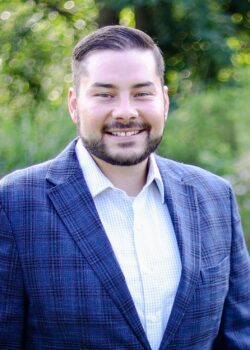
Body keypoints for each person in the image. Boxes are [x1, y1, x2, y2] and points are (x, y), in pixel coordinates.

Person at [0, 25, 249, 350]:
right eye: (104, 94)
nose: (125, 112)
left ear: (164, 101)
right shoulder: (15, 203)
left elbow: (239, 336)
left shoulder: (214, 196)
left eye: (142, 93)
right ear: (74, 104)